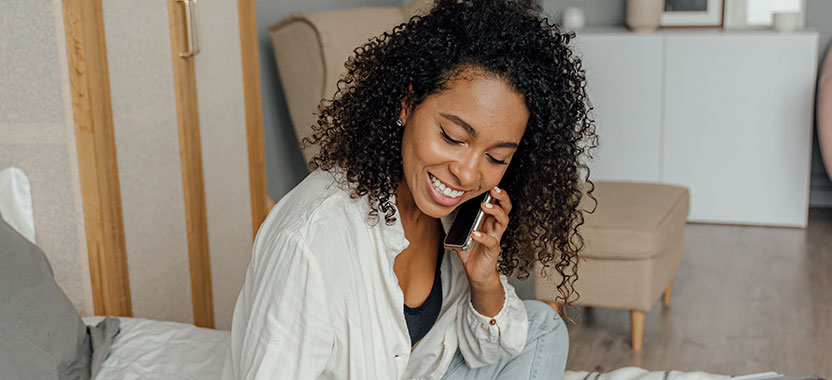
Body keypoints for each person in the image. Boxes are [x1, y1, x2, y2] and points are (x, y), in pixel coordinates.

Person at [222, 0, 597, 379]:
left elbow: (489, 346)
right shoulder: (310, 240)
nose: (468, 175)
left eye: (496, 158)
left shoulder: (452, 218)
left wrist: (483, 280)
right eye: (452, 137)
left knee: (542, 326)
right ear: (406, 104)